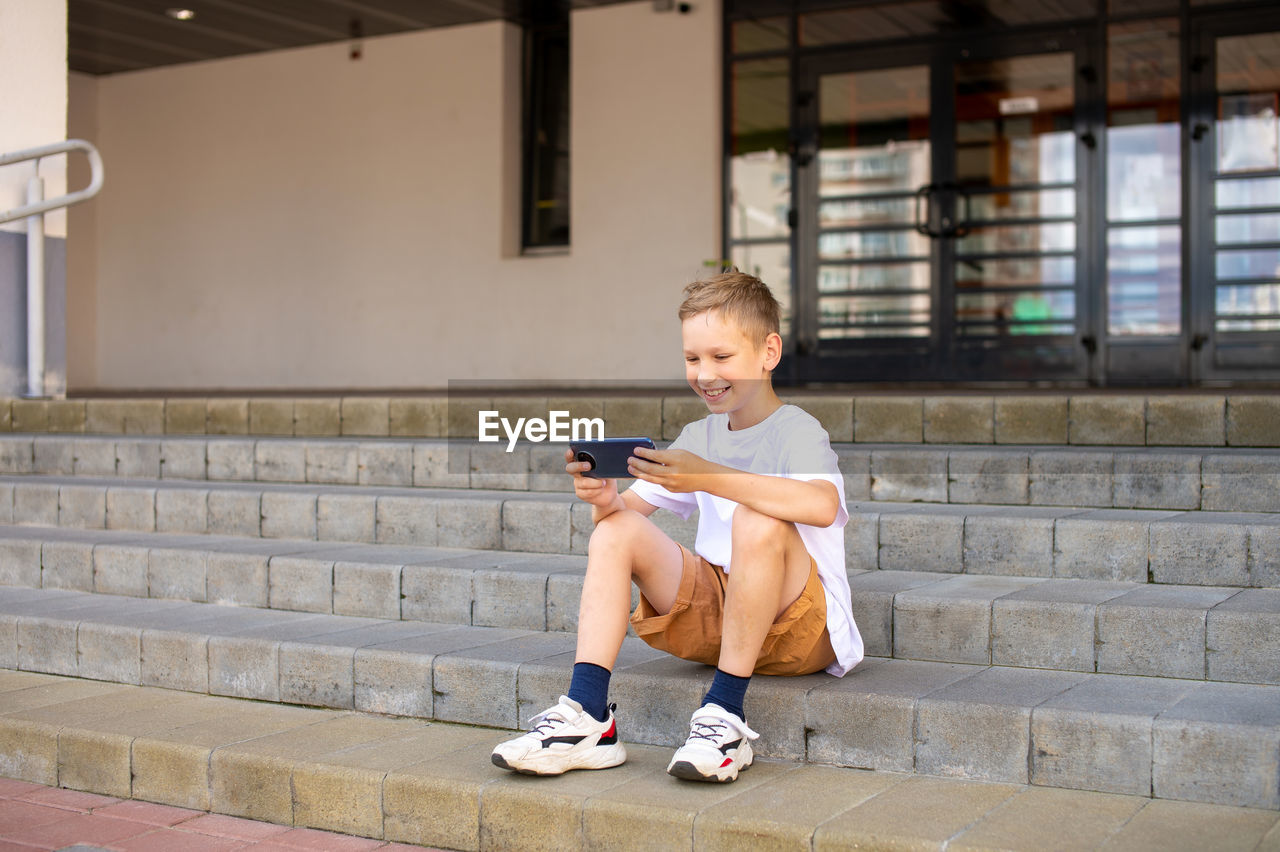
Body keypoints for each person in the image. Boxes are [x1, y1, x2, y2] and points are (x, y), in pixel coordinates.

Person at [491, 271, 862, 783]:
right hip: (721, 618)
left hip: (800, 628)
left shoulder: (797, 430)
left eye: (721, 356)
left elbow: (821, 505)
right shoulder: (698, 436)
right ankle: (588, 717)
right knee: (615, 532)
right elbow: (621, 525)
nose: (704, 373)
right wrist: (604, 500)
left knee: (758, 517)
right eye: (692, 358)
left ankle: (725, 715)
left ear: (768, 352)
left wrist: (709, 475)